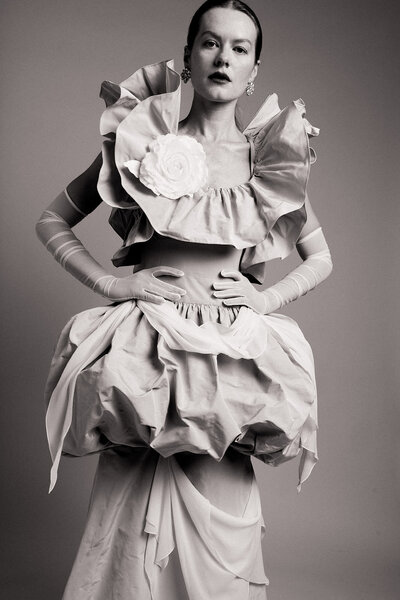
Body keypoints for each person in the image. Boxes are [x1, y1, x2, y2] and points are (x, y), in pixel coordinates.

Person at [36, 1, 332, 598]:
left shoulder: (266, 161)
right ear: (189, 54)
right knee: (126, 529)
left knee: (223, 510)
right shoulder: (141, 144)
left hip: (225, 354)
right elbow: (51, 220)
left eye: (240, 48)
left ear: (255, 68)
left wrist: (265, 300)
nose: (224, 58)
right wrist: (113, 285)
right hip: (150, 349)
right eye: (210, 43)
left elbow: (321, 257)